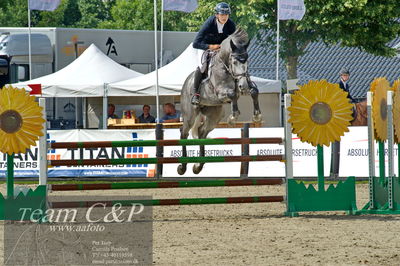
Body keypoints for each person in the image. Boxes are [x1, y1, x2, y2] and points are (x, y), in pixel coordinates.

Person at [191, 2, 236, 105]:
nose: (224, 17)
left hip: (220, 49)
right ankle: (196, 94)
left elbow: (234, 40)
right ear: (217, 15)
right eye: (222, 14)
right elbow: (195, 43)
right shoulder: (210, 23)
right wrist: (210, 47)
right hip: (205, 47)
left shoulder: (230, 24)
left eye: (226, 14)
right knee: (201, 67)